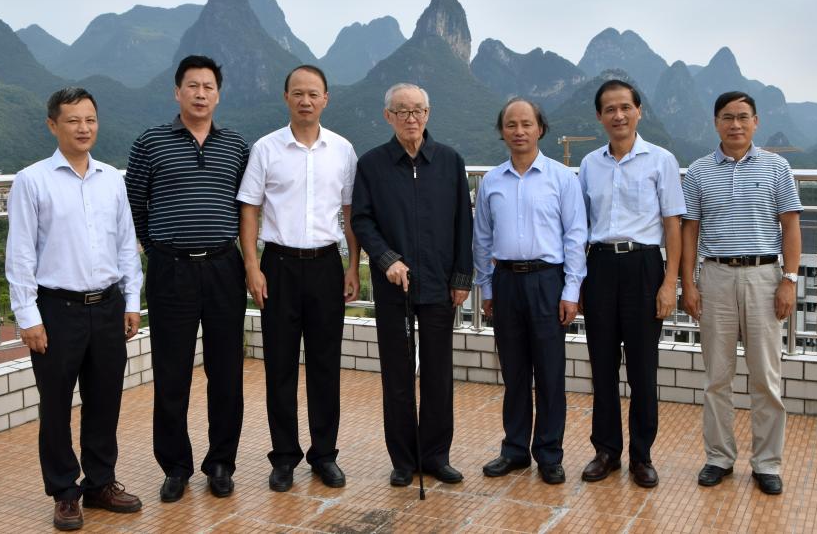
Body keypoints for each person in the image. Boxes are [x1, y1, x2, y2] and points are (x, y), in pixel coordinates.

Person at [6, 87, 143, 531]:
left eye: (90, 119)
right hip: (57, 309)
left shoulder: (112, 179)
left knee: (105, 400)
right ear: (53, 125)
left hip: (107, 306)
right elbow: (20, 253)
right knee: (56, 405)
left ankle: (100, 483)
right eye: (73, 120)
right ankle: (65, 492)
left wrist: (132, 301)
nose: (84, 128)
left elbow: (126, 244)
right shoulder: (32, 180)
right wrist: (28, 316)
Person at [125, 55, 250, 502]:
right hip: (170, 269)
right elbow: (132, 206)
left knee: (226, 372)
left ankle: (221, 463)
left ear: (219, 94)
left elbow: (247, 207)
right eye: (192, 86)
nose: (200, 94)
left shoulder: (236, 145)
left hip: (223, 268)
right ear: (177, 92)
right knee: (171, 373)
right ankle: (175, 467)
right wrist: (156, 248)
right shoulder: (151, 142)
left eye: (208, 86)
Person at [237, 65, 360, 492]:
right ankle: (284, 457)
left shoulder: (342, 150)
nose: (306, 101)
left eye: (313, 94)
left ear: (326, 99)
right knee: (280, 366)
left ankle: (324, 455)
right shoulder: (266, 148)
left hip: (326, 265)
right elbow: (249, 208)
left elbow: (350, 213)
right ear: (286, 97)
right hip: (279, 266)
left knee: (326, 365)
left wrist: (352, 265)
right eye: (298, 93)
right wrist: (252, 266)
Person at [680, 90, 802, 496]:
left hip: (765, 277)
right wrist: (688, 284)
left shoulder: (777, 167)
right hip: (715, 276)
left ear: (756, 122)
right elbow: (690, 231)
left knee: (765, 377)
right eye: (728, 117)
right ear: (716, 123)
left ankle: (767, 463)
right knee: (717, 377)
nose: (736, 124)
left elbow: (790, 225)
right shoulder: (699, 171)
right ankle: (719, 457)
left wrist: (790, 279)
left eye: (743, 117)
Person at [351, 82, 473, 487]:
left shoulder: (450, 161)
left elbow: (464, 222)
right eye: (402, 111)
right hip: (394, 288)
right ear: (388, 116)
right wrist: (387, 258)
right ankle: (403, 460)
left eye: (418, 110)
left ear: (428, 113)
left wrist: (461, 277)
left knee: (438, 374)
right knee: (397, 375)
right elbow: (361, 219)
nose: (411, 118)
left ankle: (436, 456)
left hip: (440, 284)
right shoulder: (372, 165)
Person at [577, 79, 685, 489]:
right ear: (599, 116)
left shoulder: (661, 160)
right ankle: (606, 451)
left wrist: (669, 282)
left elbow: (672, 225)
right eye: (610, 109)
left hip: (644, 266)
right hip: (600, 265)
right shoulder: (590, 164)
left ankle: (642, 456)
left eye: (625, 107)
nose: (618, 115)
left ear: (639, 111)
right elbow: (580, 227)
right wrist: (579, 282)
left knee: (642, 368)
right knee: (602, 365)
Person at [474, 98, 587, 485]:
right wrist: (486, 287)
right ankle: (515, 450)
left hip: (547, 281)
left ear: (540, 129)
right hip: (505, 281)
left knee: (550, 372)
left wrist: (571, 289)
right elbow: (482, 238)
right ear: (502, 131)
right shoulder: (492, 181)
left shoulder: (561, 178)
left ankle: (550, 453)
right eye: (511, 125)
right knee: (514, 371)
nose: (519, 131)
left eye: (526, 124)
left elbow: (575, 237)